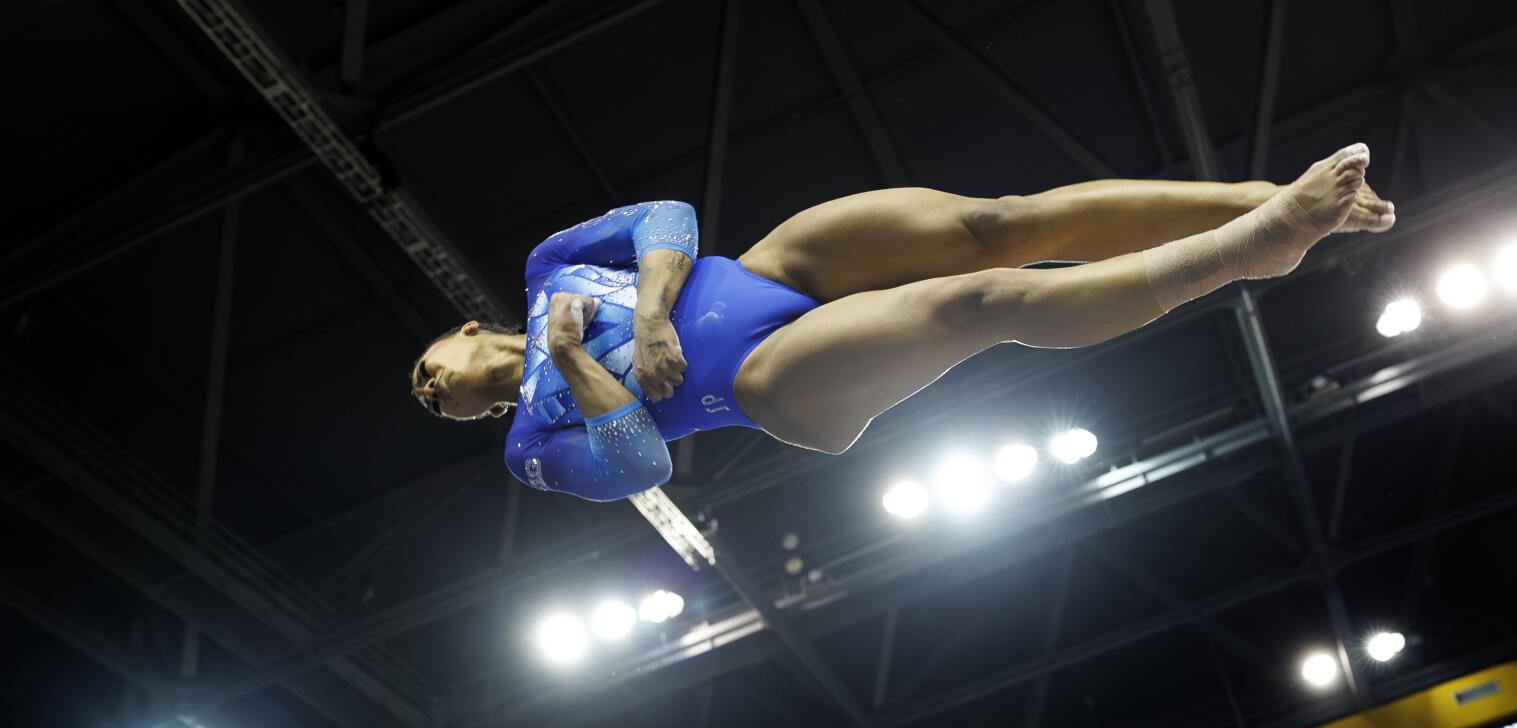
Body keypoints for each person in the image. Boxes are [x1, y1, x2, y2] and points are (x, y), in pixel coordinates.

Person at [410, 157, 1393, 499]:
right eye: (429, 404)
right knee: (981, 302)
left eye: (421, 367)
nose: (430, 388)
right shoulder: (530, 442)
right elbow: (637, 468)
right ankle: (1249, 246)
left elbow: (665, 219)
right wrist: (579, 360)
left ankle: (1268, 199)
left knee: (997, 224)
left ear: (460, 329)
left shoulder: (548, 266)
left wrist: (656, 310)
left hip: (763, 269)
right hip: (764, 380)